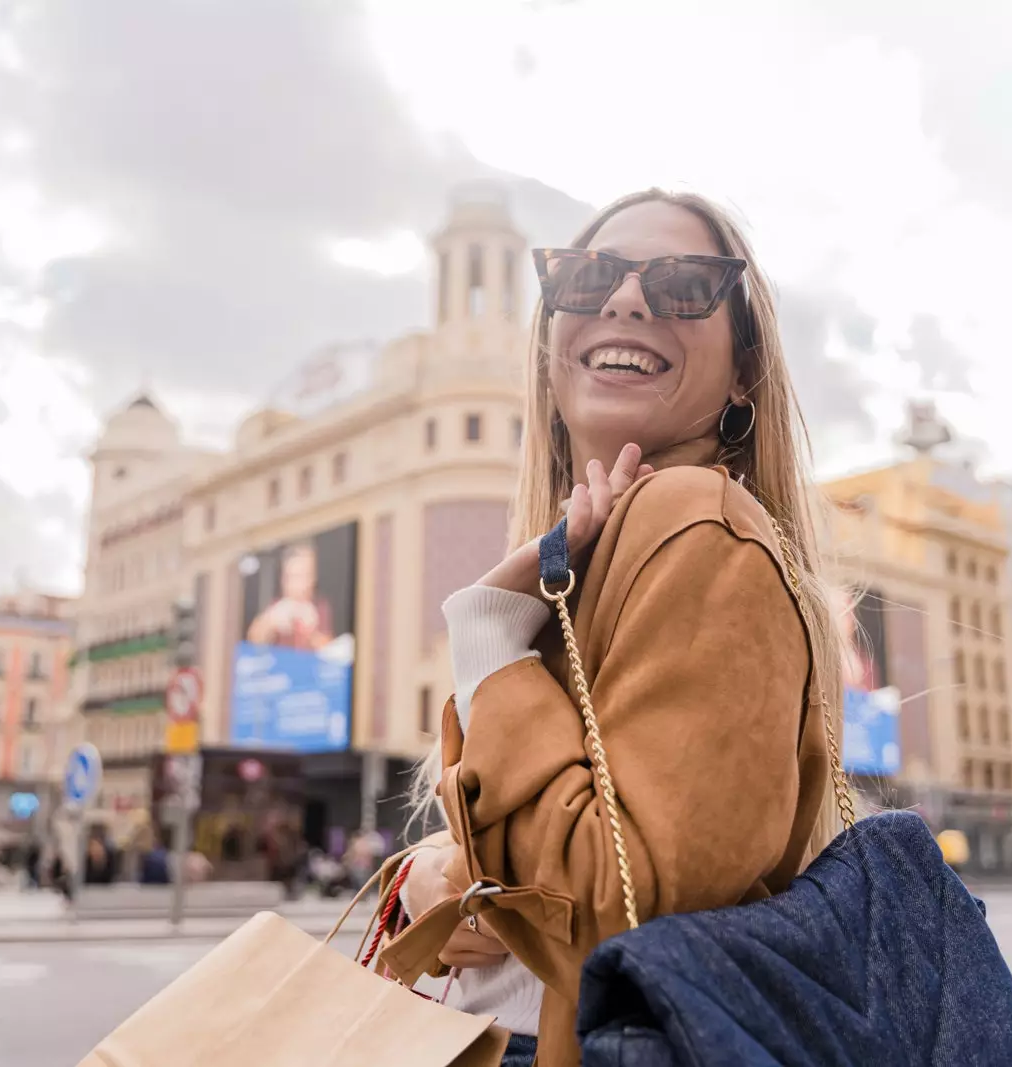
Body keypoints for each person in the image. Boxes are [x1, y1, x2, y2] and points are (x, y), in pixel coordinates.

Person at [394, 189, 847, 1067]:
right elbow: (587, 832)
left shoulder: (697, 521)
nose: (626, 300)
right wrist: (447, 874)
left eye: (683, 285)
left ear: (742, 371)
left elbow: (621, 914)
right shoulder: (604, 553)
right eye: (590, 275)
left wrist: (489, 630)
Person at [245, 543, 334, 650]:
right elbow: (253, 639)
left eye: (301, 576)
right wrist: (271, 621)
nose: (295, 584)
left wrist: (310, 632)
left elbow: (329, 648)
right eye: (290, 577)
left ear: (312, 579)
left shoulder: (319, 606)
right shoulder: (277, 605)